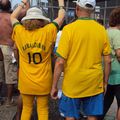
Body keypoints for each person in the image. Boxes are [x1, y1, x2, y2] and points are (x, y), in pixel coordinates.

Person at [50, 0, 111, 120]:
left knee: (70, 116)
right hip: (94, 82)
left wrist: (54, 86)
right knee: (92, 116)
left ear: (77, 8)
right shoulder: (101, 30)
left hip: (72, 82)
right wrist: (105, 82)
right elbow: (108, 60)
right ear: (92, 10)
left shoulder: (68, 29)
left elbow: (60, 62)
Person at [10, 0, 65, 119]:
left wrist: (22, 3)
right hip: (43, 81)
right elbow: (61, 17)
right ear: (41, 21)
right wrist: (61, 3)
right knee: (43, 110)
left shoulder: (20, 31)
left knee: (26, 109)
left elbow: (13, 16)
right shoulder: (48, 30)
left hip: (26, 81)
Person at [98, 7, 120, 120]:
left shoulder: (104, 32)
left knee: (106, 102)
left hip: (107, 73)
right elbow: (119, 54)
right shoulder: (117, 34)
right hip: (118, 75)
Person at [0, 0, 18, 107]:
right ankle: (8, 100)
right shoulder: (11, 18)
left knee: (0, 76)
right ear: (10, 6)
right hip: (8, 47)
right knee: (10, 76)